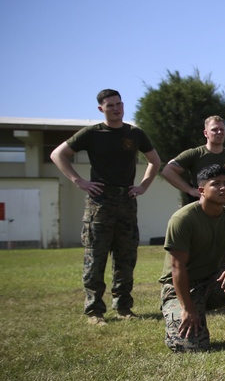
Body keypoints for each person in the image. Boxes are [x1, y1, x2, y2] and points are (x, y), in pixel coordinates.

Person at [50, 89, 161, 325]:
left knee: (126, 257)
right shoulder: (93, 133)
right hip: (99, 203)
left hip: (126, 201)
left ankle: (123, 308)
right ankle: (95, 311)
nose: (116, 108)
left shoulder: (134, 133)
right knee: (96, 257)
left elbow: (155, 161)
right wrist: (78, 181)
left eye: (119, 104)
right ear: (101, 108)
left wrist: (143, 186)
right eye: (110, 105)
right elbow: (58, 154)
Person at [160, 164, 225, 352]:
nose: (224, 188)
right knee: (190, 348)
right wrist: (188, 309)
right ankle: (181, 315)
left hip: (212, 283)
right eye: (216, 184)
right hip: (182, 289)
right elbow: (177, 268)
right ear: (201, 190)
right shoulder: (183, 219)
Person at [161, 116, 225, 209]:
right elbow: (167, 171)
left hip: (224, 210)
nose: (219, 132)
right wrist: (189, 190)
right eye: (214, 129)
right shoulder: (195, 154)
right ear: (206, 133)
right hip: (199, 209)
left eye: (222, 129)